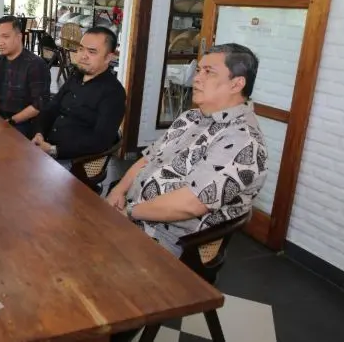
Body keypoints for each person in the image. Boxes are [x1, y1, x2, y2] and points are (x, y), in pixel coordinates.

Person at [106, 43, 268, 257]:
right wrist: (118, 192)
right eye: (199, 70)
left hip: (166, 240)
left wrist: (129, 212)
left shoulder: (243, 140)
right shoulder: (190, 117)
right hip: (133, 214)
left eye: (209, 72)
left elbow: (191, 204)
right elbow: (148, 159)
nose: (197, 78)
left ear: (236, 84)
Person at [32, 26, 126, 162]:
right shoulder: (76, 77)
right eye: (81, 49)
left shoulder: (113, 93)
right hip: (45, 146)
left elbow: (101, 141)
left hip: (74, 161)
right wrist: (39, 133)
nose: (83, 56)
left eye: (92, 52)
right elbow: (51, 108)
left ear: (108, 57)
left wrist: (53, 150)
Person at [0, 16, 50, 139]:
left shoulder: (35, 65)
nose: (0, 42)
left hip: (24, 123)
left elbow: (38, 106)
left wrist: (10, 121)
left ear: (19, 37)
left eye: (5, 37)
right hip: (0, 118)